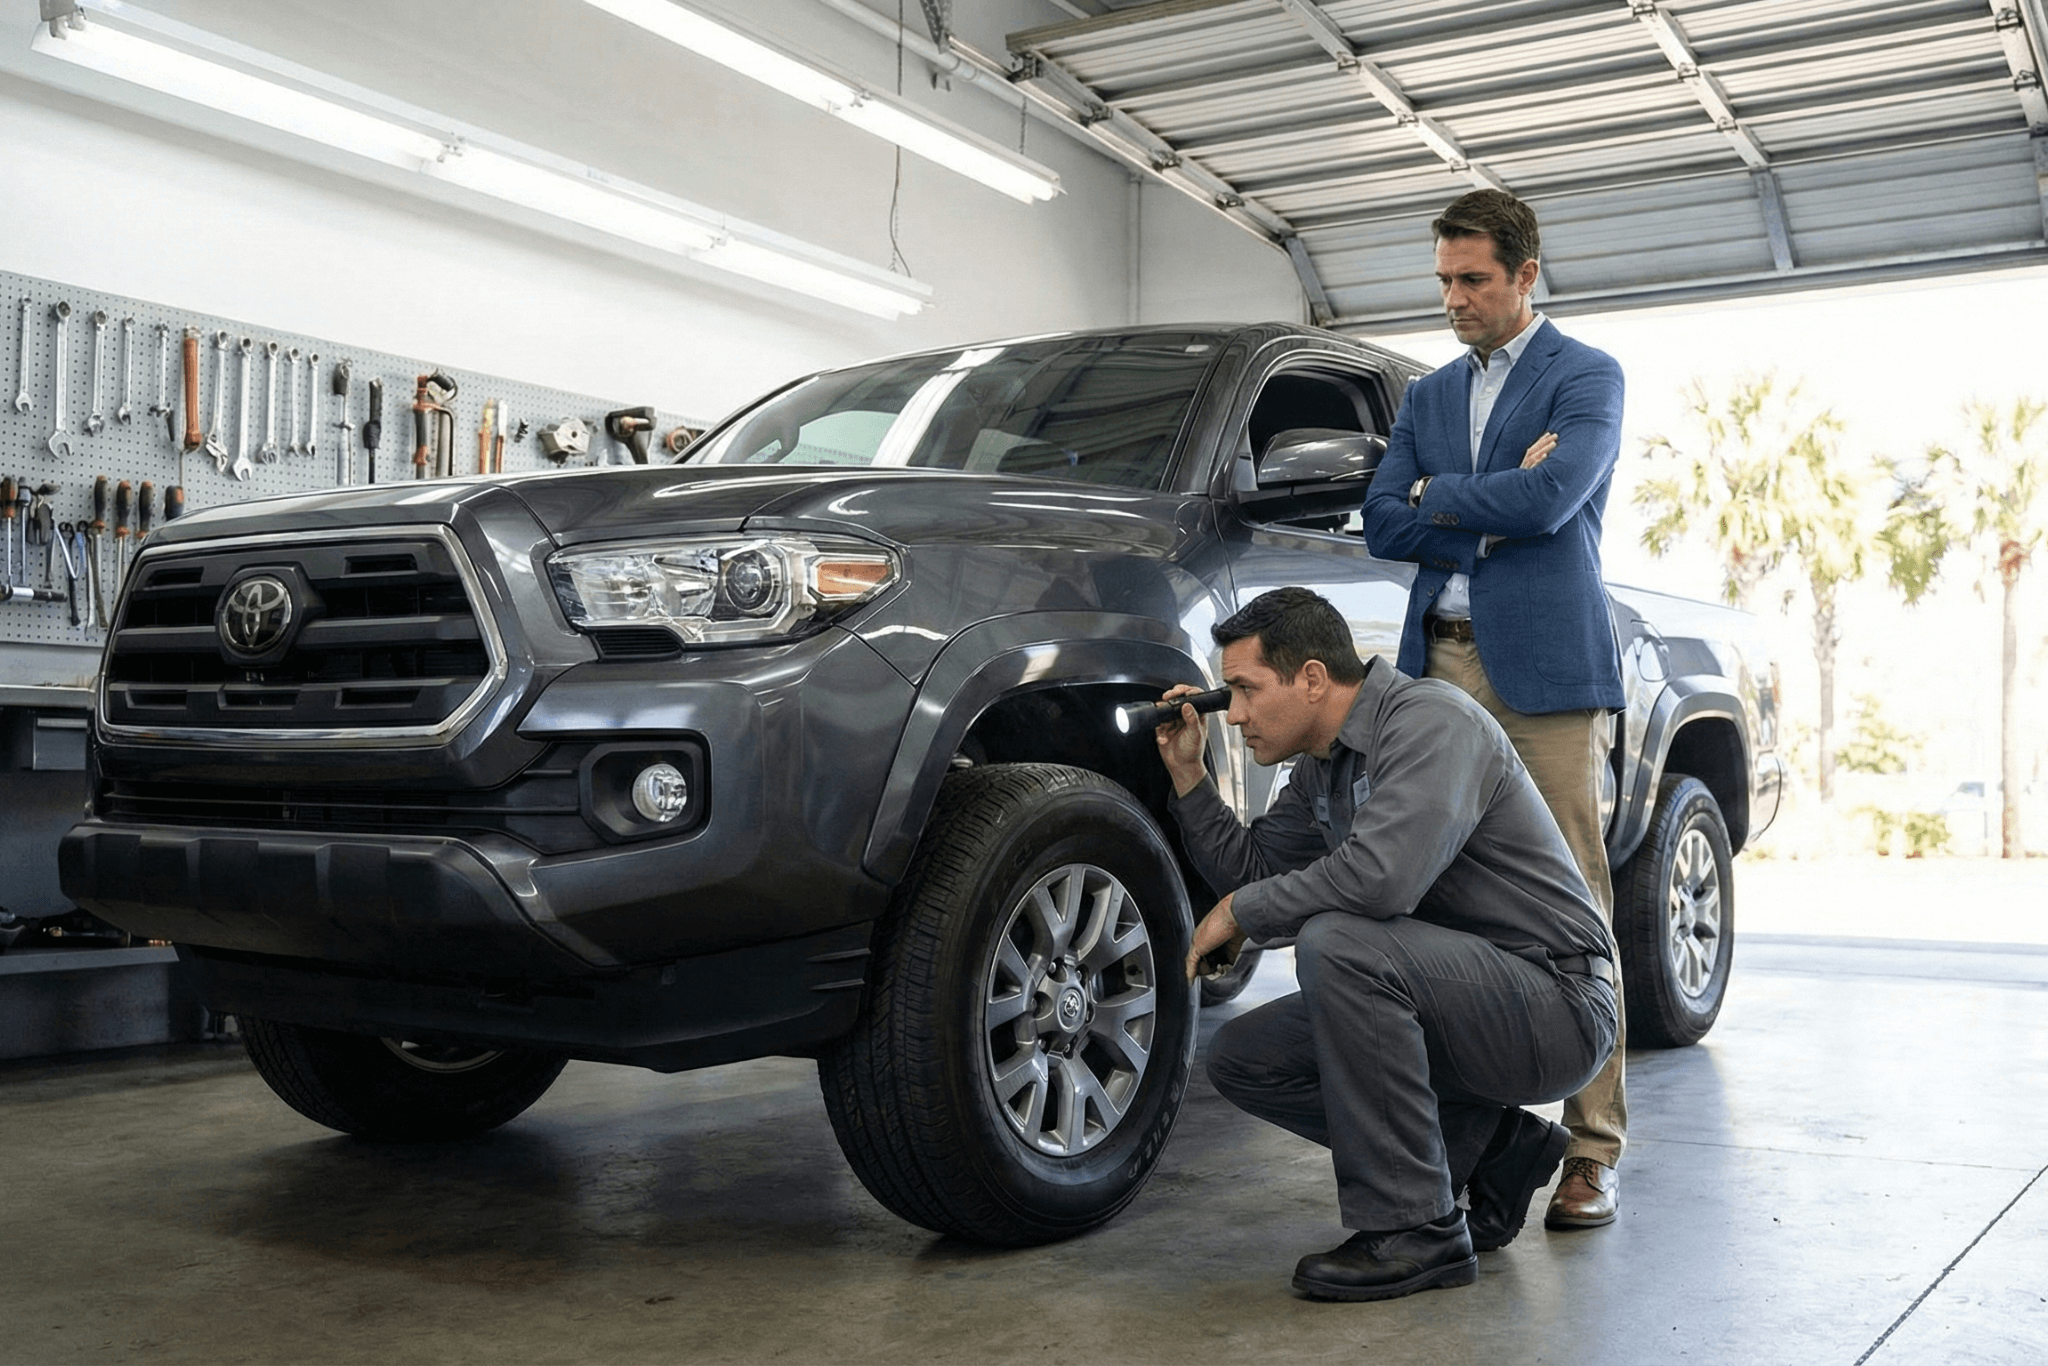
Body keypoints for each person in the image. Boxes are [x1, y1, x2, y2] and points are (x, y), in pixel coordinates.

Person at [1156, 587, 1617, 1302]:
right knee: (1246, 1060)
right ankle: (1494, 1151)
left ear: (1312, 677)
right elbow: (1256, 875)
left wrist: (1240, 911)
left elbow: (1379, 885)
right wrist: (1189, 778)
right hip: (1461, 1001)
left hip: (1557, 1005)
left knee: (1338, 942)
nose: (1236, 714)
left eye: (1246, 690)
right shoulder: (1323, 764)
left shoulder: (1430, 721)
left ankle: (1419, 1229)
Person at [1357, 188, 1629, 1231]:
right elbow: (1381, 522)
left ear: (1525, 275)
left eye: (1473, 280)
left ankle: (1590, 1150)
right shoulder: (1426, 396)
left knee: (1572, 901)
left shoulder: (1585, 374)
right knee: (1431, 900)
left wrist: (1439, 497)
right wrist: (1472, 500)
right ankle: (1477, 1144)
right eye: (1443, 281)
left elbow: (1555, 501)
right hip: (1439, 666)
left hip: (1546, 673)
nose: (1453, 299)